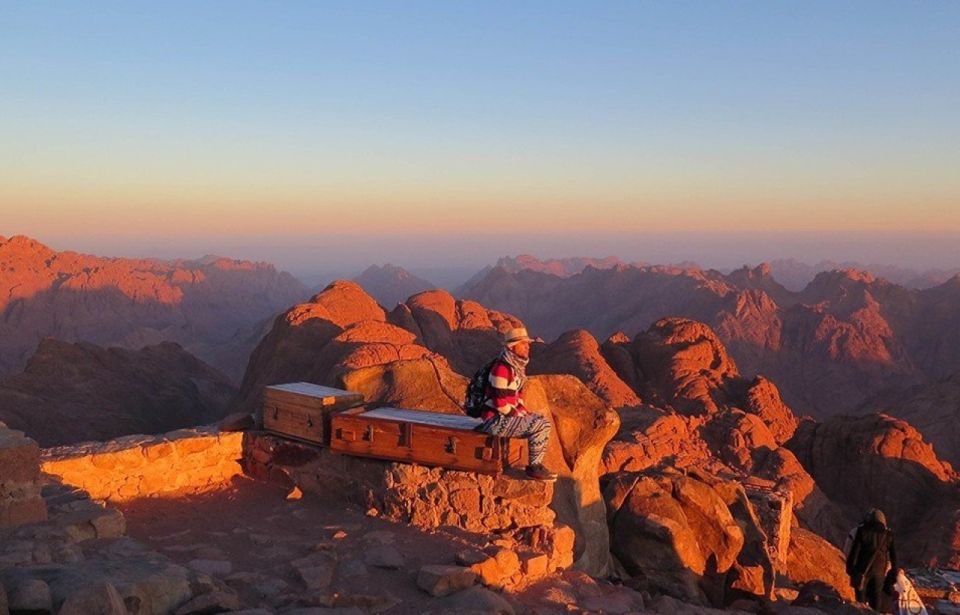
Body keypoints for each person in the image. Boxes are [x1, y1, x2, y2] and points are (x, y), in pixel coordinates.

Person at [476, 327, 557, 481]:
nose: (528, 347)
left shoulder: (515, 368)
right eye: (524, 344)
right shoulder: (501, 368)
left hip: (503, 417)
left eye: (528, 344)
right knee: (542, 425)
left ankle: (536, 466)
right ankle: (534, 467)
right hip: (493, 421)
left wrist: (524, 413)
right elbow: (500, 404)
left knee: (539, 420)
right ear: (512, 347)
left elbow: (516, 398)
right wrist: (519, 416)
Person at [846, 508, 897, 610]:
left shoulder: (862, 531)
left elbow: (854, 553)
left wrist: (851, 570)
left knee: (861, 603)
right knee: (876, 598)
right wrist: (892, 575)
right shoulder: (888, 534)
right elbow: (894, 557)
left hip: (862, 572)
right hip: (879, 574)